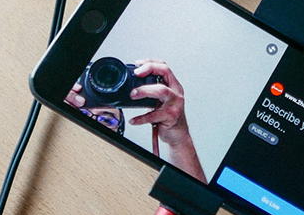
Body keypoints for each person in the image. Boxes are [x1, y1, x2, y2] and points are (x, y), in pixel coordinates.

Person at [66, 59, 207, 183]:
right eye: (82, 113)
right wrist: (56, 105)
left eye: (106, 120)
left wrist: (179, 140)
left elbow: (195, 200)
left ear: (119, 133)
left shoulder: (132, 179)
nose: (93, 124)